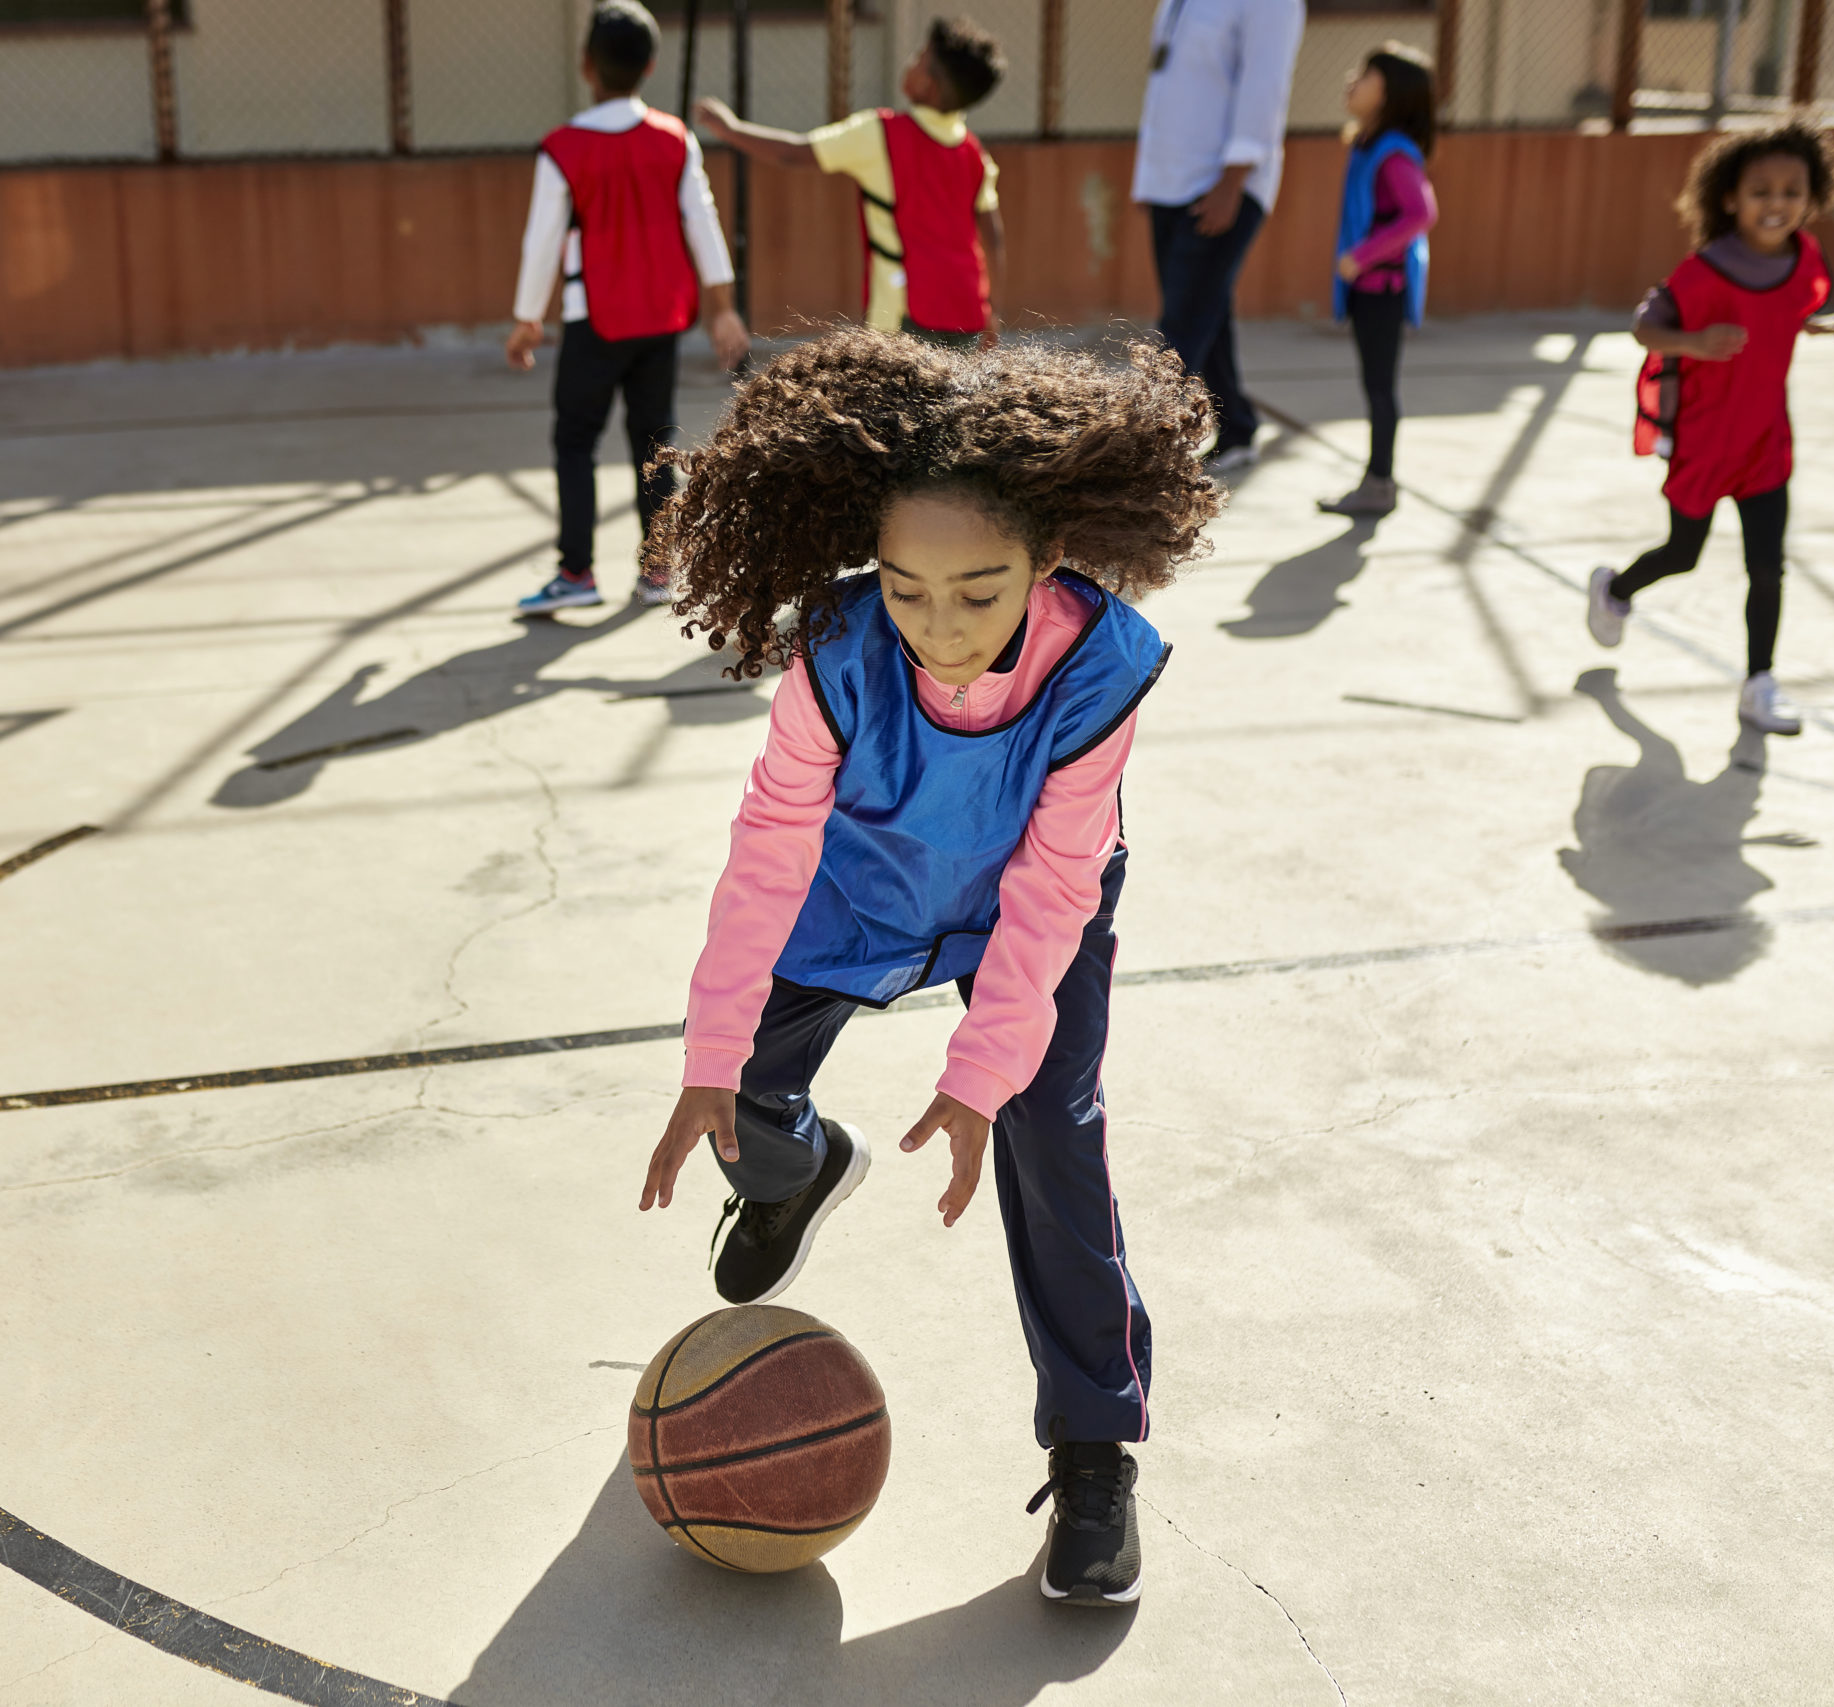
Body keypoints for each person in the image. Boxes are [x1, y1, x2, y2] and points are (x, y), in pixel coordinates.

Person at [634, 328, 1220, 1608]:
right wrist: (709, 1058)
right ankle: (798, 1169)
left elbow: (1058, 882)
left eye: (978, 589)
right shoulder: (837, 653)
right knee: (739, 1094)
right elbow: (769, 847)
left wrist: (979, 1077)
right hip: (861, 881)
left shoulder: (1099, 665)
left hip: (1028, 904)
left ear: (1048, 561)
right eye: (904, 588)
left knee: (1053, 1141)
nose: (937, 626)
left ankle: (1092, 1458)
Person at [1587, 122, 1834, 736]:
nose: (1778, 202)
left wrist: (1820, 326)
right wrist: (1693, 342)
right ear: (1730, 199)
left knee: (1767, 567)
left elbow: (1785, 314)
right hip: (1705, 443)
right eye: (1761, 190)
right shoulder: (1704, 272)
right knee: (1682, 555)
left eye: (1792, 190)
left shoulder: (1805, 260)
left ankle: (1759, 683)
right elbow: (1644, 325)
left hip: (1767, 445)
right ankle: (1615, 589)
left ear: (1813, 195)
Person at [510, 1, 752, 615]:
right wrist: (721, 306)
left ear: (586, 64)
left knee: (574, 440)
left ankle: (575, 571)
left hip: (594, 320)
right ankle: (659, 570)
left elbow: (541, 242)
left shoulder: (562, 148)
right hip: (660, 320)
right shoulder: (675, 141)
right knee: (654, 441)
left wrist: (526, 319)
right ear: (650, 65)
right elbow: (704, 222)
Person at [694, 16, 1007, 349]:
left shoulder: (880, 133)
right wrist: (993, 310)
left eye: (919, 58)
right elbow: (994, 236)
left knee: (895, 401)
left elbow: (794, 152)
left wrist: (730, 129)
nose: (910, 62)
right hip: (967, 309)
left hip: (902, 317)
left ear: (928, 85)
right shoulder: (973, 152)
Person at [1136, 0, 1306, 474]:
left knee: (1181, 326)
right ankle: (1238, 429)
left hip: (1222, 184)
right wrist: (1150, 178)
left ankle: (1143, 453)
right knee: (1204, 311)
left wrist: (1233, 181)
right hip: (1170, 182)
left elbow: (1264, 87)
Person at [1317, 43, 1437, 517]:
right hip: (1369, 292)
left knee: (1381, 387)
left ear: (1389, 95)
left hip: (1382, 291)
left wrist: (1360, 257)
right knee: (1376, 385)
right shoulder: (1369, 145)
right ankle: (1377, 480)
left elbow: (1421, 213)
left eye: (1365, 75)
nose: (1352, 79)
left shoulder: (1393, 155)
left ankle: (1380, 482)